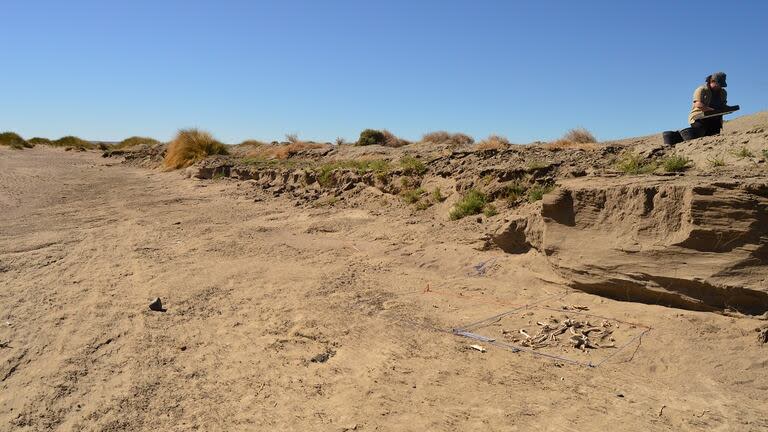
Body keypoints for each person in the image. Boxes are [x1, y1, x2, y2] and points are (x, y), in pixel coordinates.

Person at [688, 72, 728, 137]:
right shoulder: (701, 90)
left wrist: (728, 109)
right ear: (712, 81)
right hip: (699, 119)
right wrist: (712, 110)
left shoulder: (723, 92)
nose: (720, 87)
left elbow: (723, 105)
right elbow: (698, 104)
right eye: (719, 84)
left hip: (715, 120)